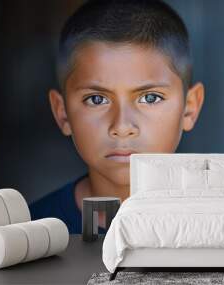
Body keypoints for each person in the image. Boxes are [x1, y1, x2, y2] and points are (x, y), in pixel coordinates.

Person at [29, 0, 205, 233]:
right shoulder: (33, 233)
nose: (122, 126)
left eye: (150, 98)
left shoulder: (219, 227)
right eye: (97, 99)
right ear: (62, 113)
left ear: (189, 108)